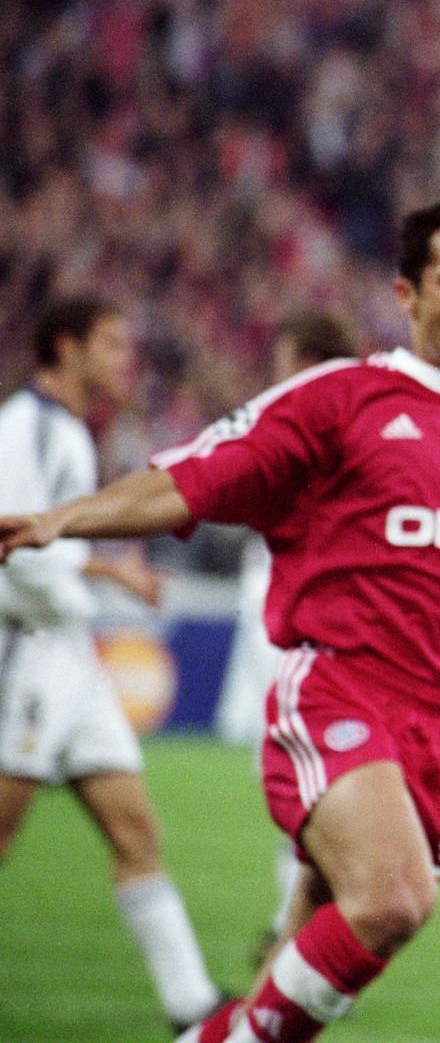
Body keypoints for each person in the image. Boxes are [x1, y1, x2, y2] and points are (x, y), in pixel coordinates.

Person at [1, 197, 440, 1043]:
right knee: (393, 898)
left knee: (315, 944)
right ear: (408, 295)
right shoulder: (341, 399)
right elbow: (189, 477)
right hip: (345, 691)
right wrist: (64, 519)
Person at [0, 296, 224, 1034]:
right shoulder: (26, 425)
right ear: (67, 347)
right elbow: (14, 543)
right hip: (27, 650)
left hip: (70, 654)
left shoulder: (65, 430)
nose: (126, 360)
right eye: (112, 342)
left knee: (135, 828)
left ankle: (193, 1009)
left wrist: (110, 574)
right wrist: (88, 585)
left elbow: (49, 537)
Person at [210, 313, 361, 962]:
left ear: (304, 363)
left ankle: (306, 941)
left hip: (298, 626)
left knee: (305, 792)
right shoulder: (342, 426)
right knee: (307, 796)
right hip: (294, 619)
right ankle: (299, 936)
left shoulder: (314, 428)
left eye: (283, 363)